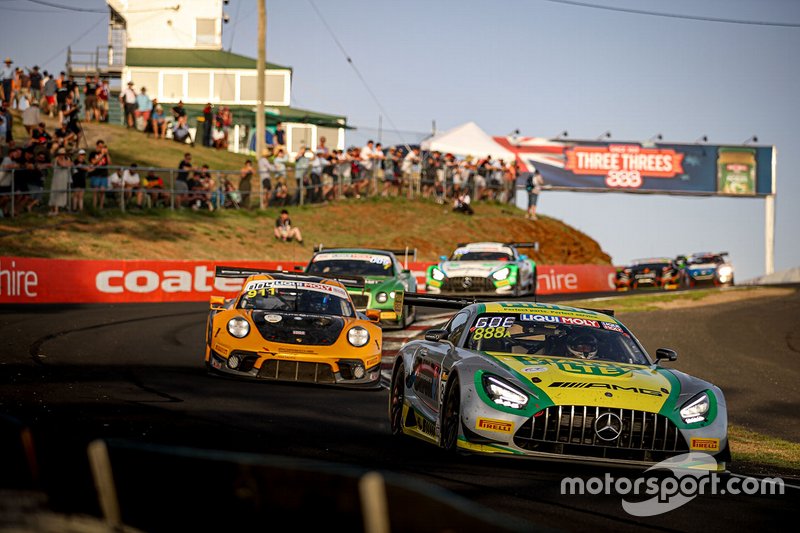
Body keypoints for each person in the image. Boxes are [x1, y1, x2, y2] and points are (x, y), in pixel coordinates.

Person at [48, 147, 72, 215]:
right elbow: (63, 165)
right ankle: (54, 209)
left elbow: (70, 164)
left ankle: (58, 208)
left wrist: (67, 163)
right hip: (57, 179)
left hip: (64, 178)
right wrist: (67, 164)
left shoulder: (67, 159)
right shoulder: (57, 159)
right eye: (61, 154)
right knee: (55, 193)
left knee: (62, 193)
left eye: (63, 154)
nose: (62, 155)